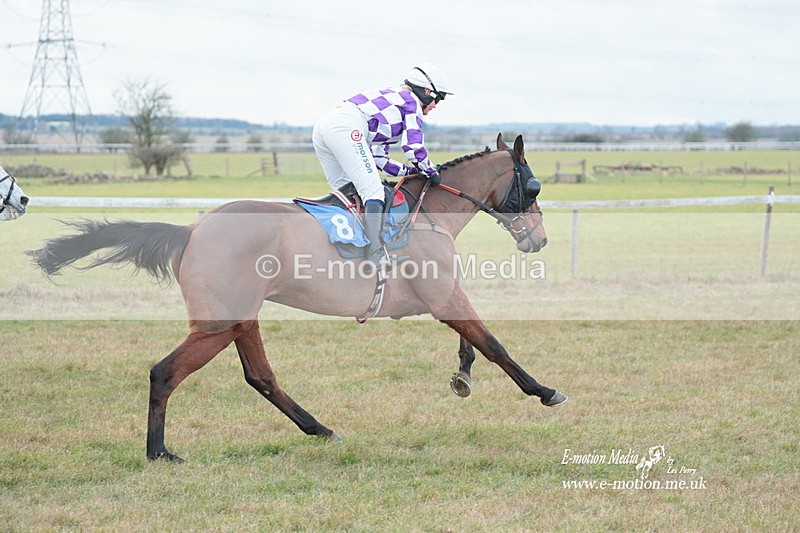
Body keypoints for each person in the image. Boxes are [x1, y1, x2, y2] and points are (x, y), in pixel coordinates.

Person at [312, 62, 453, 271]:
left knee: (349, 192)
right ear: (426, 91)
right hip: (346, 127)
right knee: (373, 192)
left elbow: (380, 160)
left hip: (325, 127)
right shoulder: (411, 102)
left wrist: (411, 171)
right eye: (437, 99)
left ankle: (348, 248)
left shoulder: (394, 103)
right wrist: (431, 171)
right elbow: (414, 148)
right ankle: (376, 255)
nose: (435, 106)